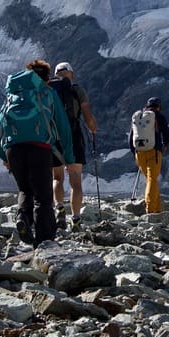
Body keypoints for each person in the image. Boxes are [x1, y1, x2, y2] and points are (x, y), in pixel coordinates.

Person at [0, 59, 73, 246]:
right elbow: (62, 124)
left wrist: (2, 154)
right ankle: (44, 242)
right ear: (46, 79)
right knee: (43, 196)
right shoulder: (48, 92)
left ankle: (23, 218)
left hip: (13, 149)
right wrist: (69, 157)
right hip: (40, 148)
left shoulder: (13, 94)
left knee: (25, 189)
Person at [49, 62, 97, 230]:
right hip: (73, 135)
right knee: (75, 180)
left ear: (56, 74)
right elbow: (86, 112)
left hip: (54, 137)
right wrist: (92, 128)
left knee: (57, 177)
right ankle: (75, 218)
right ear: (71, 74)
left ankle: (59, 208)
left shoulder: (49, 90)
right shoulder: (76, 90)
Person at [131, 96, 169, 214]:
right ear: (158, 107)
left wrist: (134, 152)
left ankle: (157, 208)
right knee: (152, 179)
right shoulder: (158, 116)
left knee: (150, 179)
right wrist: (164, 145)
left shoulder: (138, 117)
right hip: (153, 151)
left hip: (139, 152)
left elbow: (131, 137)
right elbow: (166, 134)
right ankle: (150, 209)